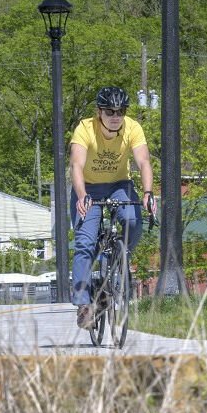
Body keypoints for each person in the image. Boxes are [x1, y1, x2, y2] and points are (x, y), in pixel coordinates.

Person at [69, 86, 156, 329]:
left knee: (133, 221)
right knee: (85, 243)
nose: (116, 115)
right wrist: (82, 195)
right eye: (110, 111)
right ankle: (85, 304)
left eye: (121, 110)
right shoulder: (85, 129)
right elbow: (76, 165)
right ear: (99, 112)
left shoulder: (132, 128)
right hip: (87, 186)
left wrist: (148, 193)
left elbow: (144, 161)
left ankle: (115, 259)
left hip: (119, 185)